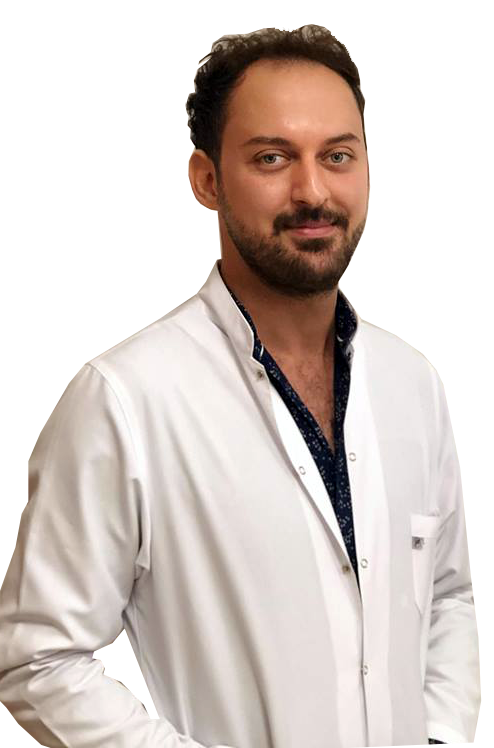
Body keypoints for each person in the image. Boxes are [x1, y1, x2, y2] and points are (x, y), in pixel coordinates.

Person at [0, 25, 481, 748]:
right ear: (208, 180)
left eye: (338, 155)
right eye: (272, 157)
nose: (313, 191)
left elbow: (448, 597)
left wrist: (442, 735)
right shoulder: (123, 401)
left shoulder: (412, 384)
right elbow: (37, 663)